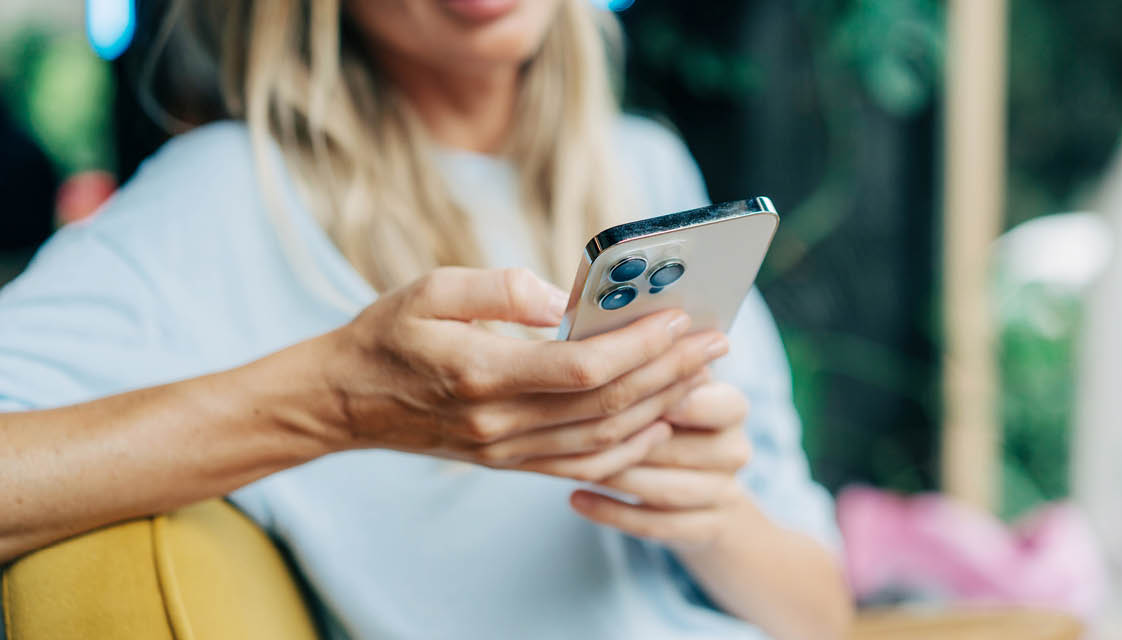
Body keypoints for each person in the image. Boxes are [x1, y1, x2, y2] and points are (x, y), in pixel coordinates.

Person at [0, 1, 851, 638]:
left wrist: (706, 512)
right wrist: (334, 404)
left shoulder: (644, 165)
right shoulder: (229, 196)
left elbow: (821, 610)